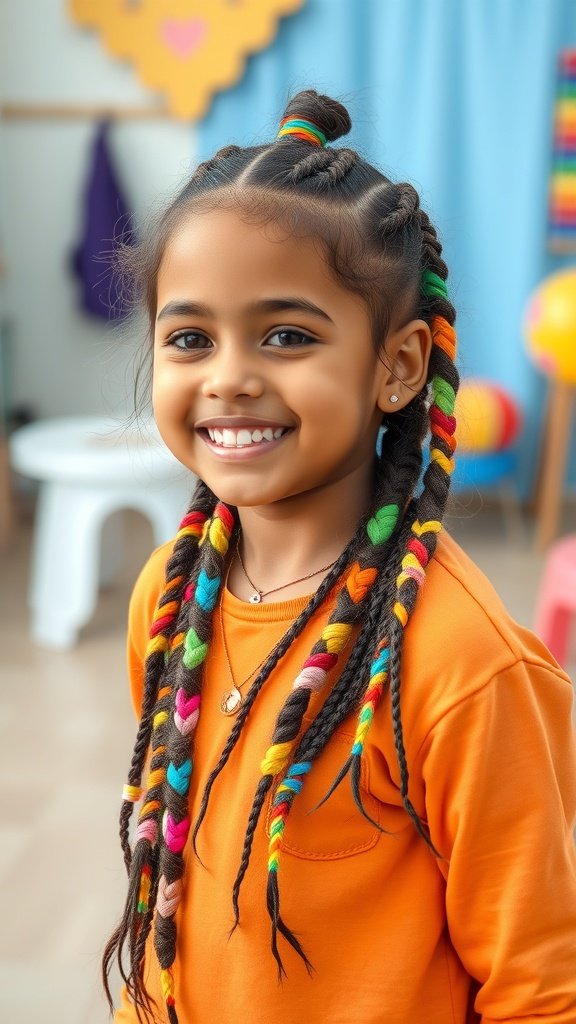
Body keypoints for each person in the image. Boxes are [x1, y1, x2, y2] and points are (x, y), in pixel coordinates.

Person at [103, 91, 576, 1024]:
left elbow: (542, 988)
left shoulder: (463, 665)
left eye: (287, 336)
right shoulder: (169, 596)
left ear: (397, 366)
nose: (230, 375)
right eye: (190, 337)